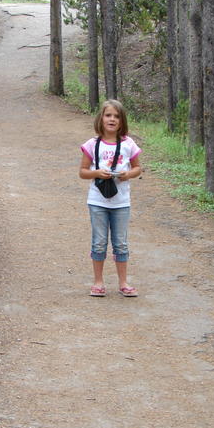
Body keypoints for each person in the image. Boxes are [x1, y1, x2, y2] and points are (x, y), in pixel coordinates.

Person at [79, 99, 142, 297]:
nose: (112, 119)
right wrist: (97, 173)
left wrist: (127, 175)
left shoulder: (128, 144)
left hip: (121, 202)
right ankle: (98, 282)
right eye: (108, 115)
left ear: (122, 121)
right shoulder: (92, 144)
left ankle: (123, 282)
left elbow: (138, 168)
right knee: (99, 241)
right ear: (101, 118)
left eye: (116, 116)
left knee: (121, 242)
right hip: (97, 201)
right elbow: (82, 172)